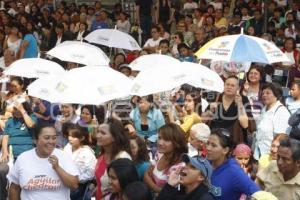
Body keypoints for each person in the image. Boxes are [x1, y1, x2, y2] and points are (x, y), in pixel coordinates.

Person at [7, 123, 79, 199]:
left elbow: (74, 185)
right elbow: (14, 188)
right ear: (35, 140)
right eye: (47, 138)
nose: (51, 141)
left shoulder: (63, 156)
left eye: (54, 138)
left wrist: (57, 168)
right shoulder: (23, 158)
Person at [207, 128, 260, 200]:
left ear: (225, 150)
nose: (208, 148)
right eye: (208, 143)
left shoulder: (234, 172)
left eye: (213, 145)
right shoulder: (206, 163)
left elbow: (258, 193)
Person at [144, 123, 188, 195]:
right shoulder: (159, 154)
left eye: (166, 140)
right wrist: (158, 189)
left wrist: (155, 188)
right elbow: (146, 175)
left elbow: (174, 194)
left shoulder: (179, 167)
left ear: (176, 143)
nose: (160, 143)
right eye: (159, 138)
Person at [95, 118, 131, 200]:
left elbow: (125, 190)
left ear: (114, 137)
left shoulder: (123, 158)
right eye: (98, 131)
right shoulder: (102, 155)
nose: (97, 135)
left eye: (103, 133)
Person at [208, 76, 251, 144]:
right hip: (214, 139)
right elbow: (203, 119)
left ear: (238, 88)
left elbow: (245, 125)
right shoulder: (216, 97)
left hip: (235, 139)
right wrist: (210, 111)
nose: (229, 87)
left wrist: (240, 104)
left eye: (232, 85)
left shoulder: (243, 99)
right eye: (227, 84)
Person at [254, 83, 290, 160]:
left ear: (276, 95)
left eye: (268, 93)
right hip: (259, 152)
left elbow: (282, 136)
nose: (264, 95)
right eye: (263, 93)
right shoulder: (264, 109)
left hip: (271, 156)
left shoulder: (281, 111)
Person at [63, 124, 97, 200]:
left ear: (82, 138)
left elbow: (91, 173)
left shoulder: (87, 153)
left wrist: (77, 179)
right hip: (64, 182)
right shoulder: (68, 147)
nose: (70, 138)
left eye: (74, 137)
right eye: (69, 135)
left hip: (78, 187)